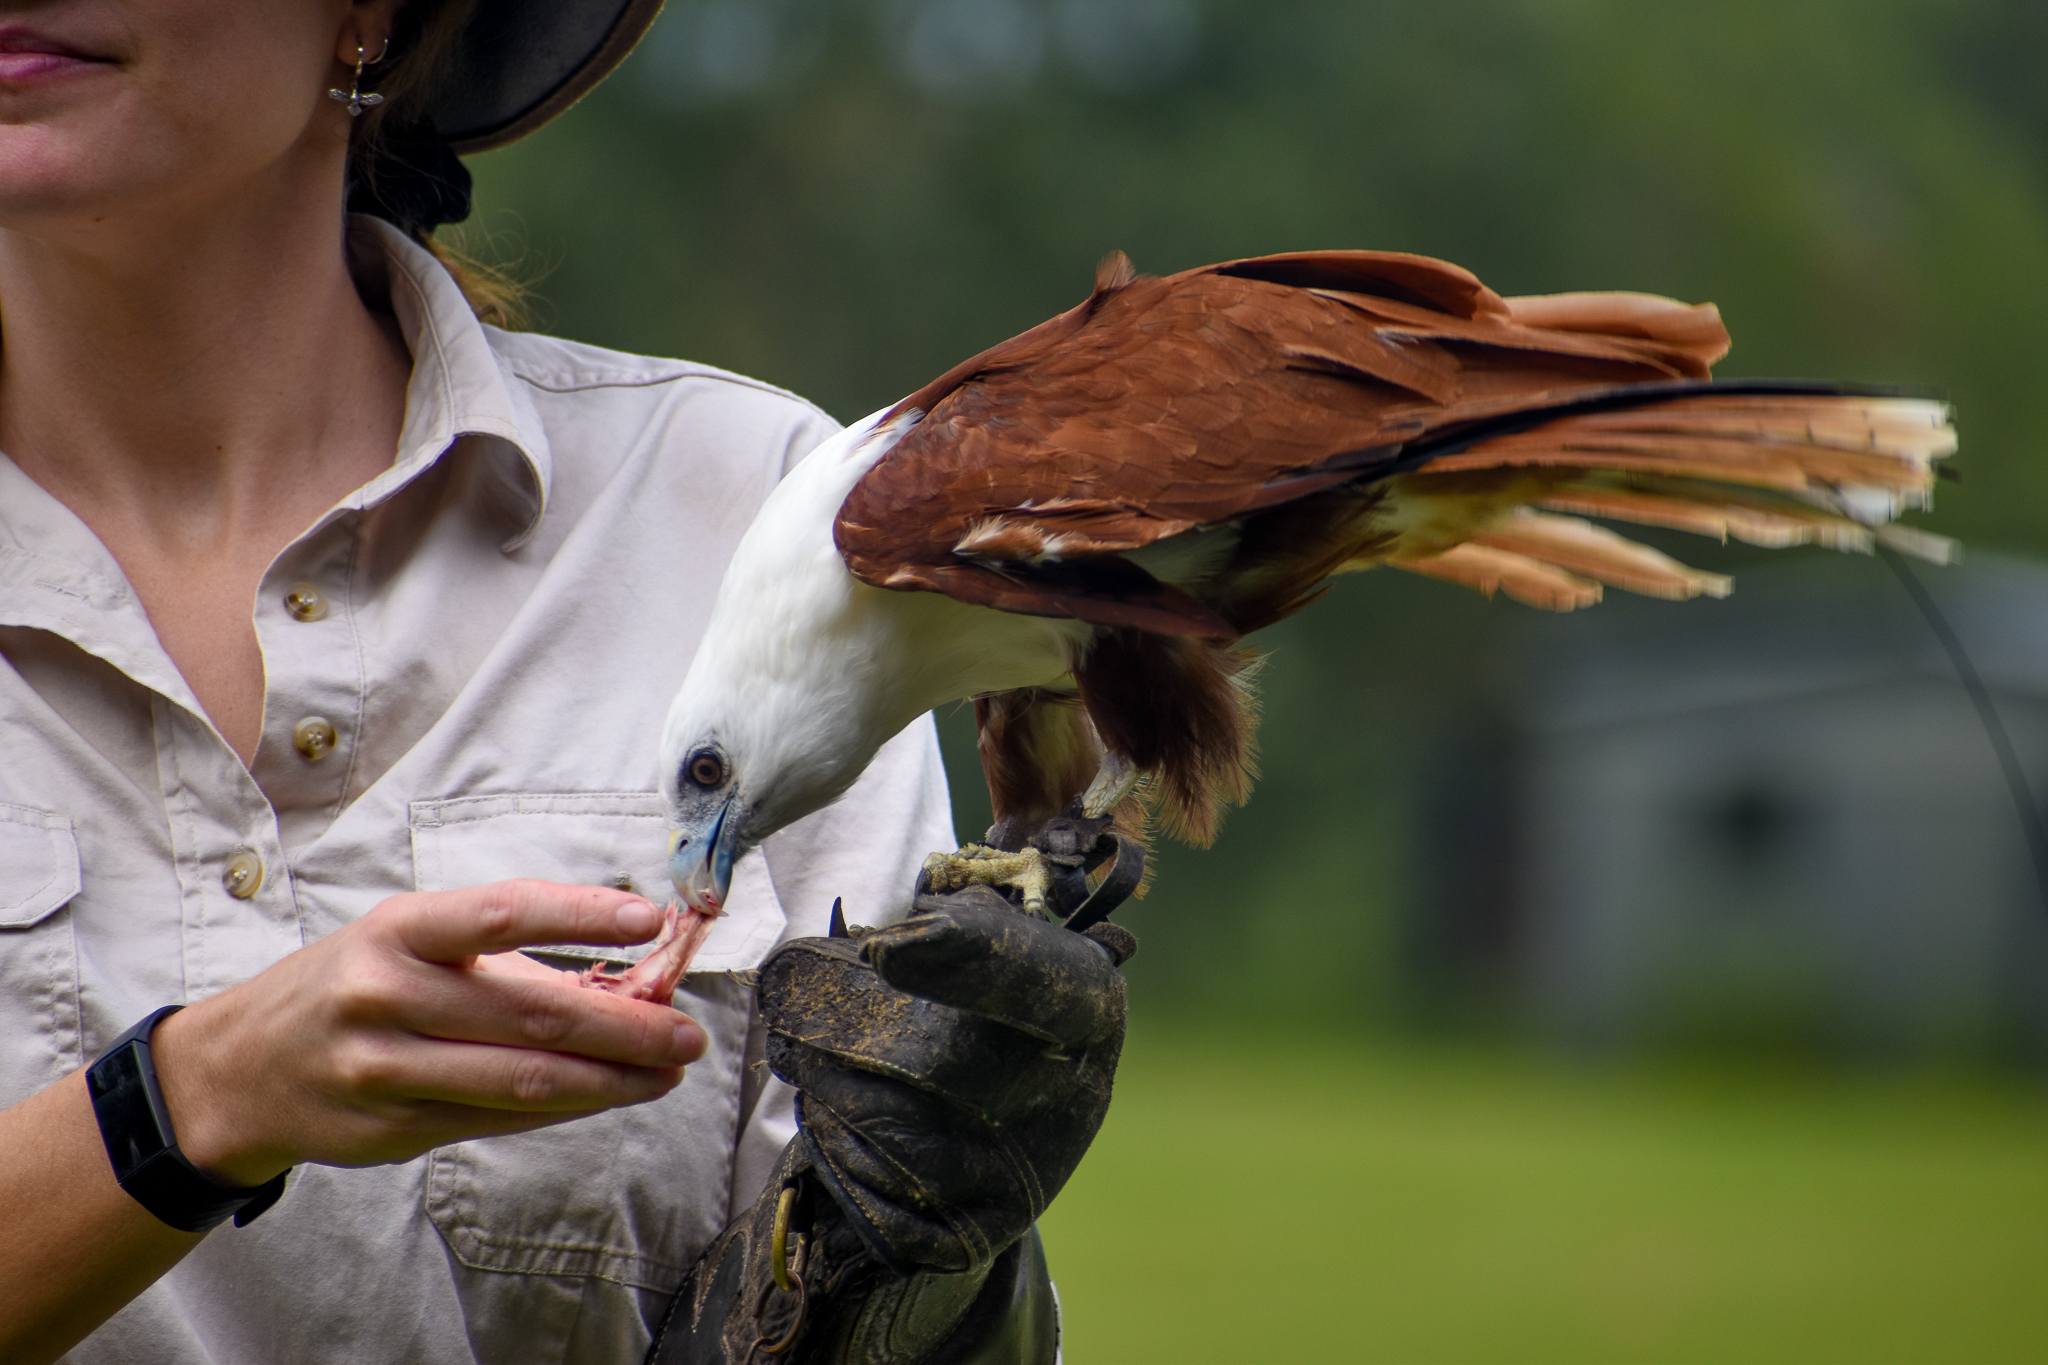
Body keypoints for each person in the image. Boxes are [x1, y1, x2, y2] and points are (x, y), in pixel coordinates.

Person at [0, 2, 1124, 1361]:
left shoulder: (750, 513)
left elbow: (897, 1288)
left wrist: (939, 1278)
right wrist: (195, 1098)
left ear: (369, 11)